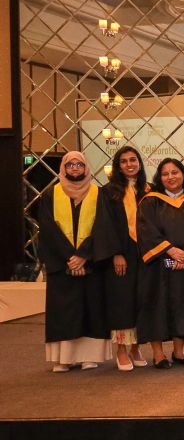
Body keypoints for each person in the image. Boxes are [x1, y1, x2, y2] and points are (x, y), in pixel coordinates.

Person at [40, 151, 119, 372]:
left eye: (79, 164)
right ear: (63, 168)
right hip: (62, 264)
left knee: (91, 310)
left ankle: (89, 357)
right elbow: (48, 230)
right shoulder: (51, 194)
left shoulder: (98, 194)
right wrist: (70, 258)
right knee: (63, 311)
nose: (75, 168)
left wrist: (84, 255)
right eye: (70, 165)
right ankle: (63, 359)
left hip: (91, 264)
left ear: (86, 168)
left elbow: (103, 227)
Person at [136, 158, 184, 368]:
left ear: (183, 174)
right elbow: (146, 230)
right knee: (157, 304)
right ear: (159, 177)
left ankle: (179, 352)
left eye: (175, 172)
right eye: (165, 174)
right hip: (158, 264)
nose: (171, 177)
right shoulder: (150, 201)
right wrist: (171, 251)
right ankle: (158, 354)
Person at [100, 145, 149, 371]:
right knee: (122, 301)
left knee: (141, 299)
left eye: (133, 160)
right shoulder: (109, 192)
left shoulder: (148, 189)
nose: (129, 164)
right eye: (124, 161)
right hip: (122, 253)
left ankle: (136, 347)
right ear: (118, 166)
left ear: (139, 162)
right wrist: (116, 253)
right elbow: (105, 225)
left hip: (145, 253)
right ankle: (121, 349)